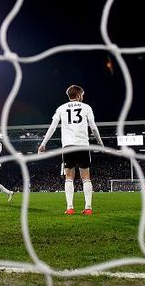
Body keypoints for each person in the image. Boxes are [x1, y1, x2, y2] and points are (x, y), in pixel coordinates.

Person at [38, 85, 104, 215]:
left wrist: (43, 144)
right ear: (79, 95)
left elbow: (52, 127)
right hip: (83, 145)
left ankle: (70, 208)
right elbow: (94, 127)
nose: (83, 97)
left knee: (69, 177)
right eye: (82, 95)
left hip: (68, 146)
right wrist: (100, 142)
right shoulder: (86, 108)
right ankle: (88, 207)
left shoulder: (61, 108)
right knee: (86, 177)